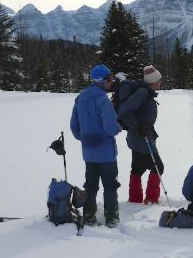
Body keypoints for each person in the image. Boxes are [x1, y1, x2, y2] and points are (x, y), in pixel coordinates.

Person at [70, 64, 122, 227]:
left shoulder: (80, 98)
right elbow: (110, 128)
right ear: (103, 80)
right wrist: (118, 127)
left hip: (89, 152)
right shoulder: (102, 100)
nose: (111, 82)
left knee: (91, 185)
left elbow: (74, 125)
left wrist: (86, 138)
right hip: (106, 153)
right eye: (110, 79)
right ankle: (111, 217)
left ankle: (89, 216)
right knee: (110, 185)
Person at [117, 65, 164, 204]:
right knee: (158, 167)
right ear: (153, 81)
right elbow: (124, 112)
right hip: (142, 139)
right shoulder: (143, 93)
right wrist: (138, 126)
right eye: (159, 80)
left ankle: (135, 199)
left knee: (137, 168)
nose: (160, 82)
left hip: (137, 138)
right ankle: (151, 200)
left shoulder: (146, 92)